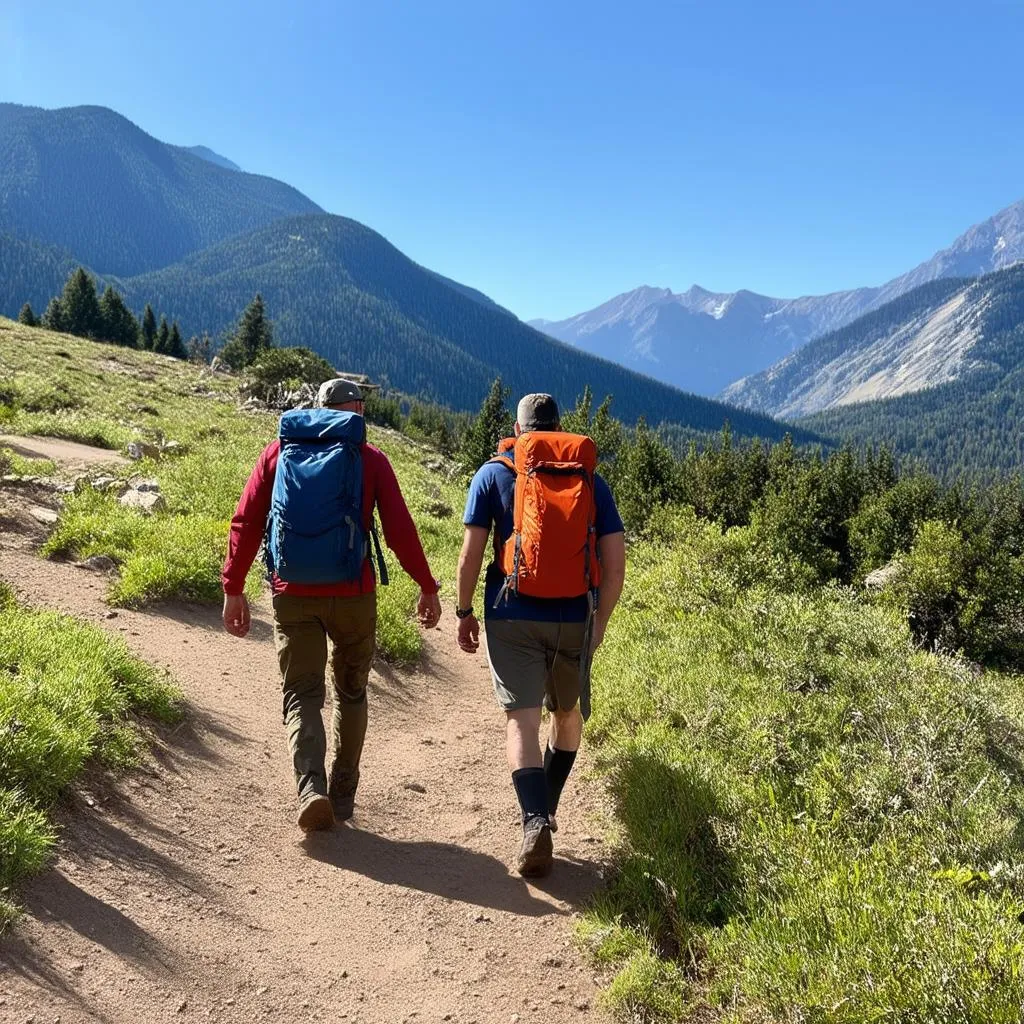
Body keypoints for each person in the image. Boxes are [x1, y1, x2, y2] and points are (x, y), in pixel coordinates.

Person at [222, 378, 442, 832]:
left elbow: (246, 521)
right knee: (352, 691)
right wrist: (426, 585)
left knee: (302, 693)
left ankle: (310, 788)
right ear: (355, 410)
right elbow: (400, 529)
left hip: (291, 592)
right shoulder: (370, 458)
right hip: (352, 593)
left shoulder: (278, 453)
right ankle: (343, 792)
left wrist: (233, 587)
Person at [456, 393, 626, 877]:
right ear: (558, 428)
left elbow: (471, 556)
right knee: (568, 714)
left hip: (511, 615)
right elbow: (614, 567)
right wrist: (599, 625)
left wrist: (465, 611)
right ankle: (547, 809)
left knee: (522, 721)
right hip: (573, 616)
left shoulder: (493, 474)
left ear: (518, 427)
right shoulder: (592, 481)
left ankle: (534, 822)